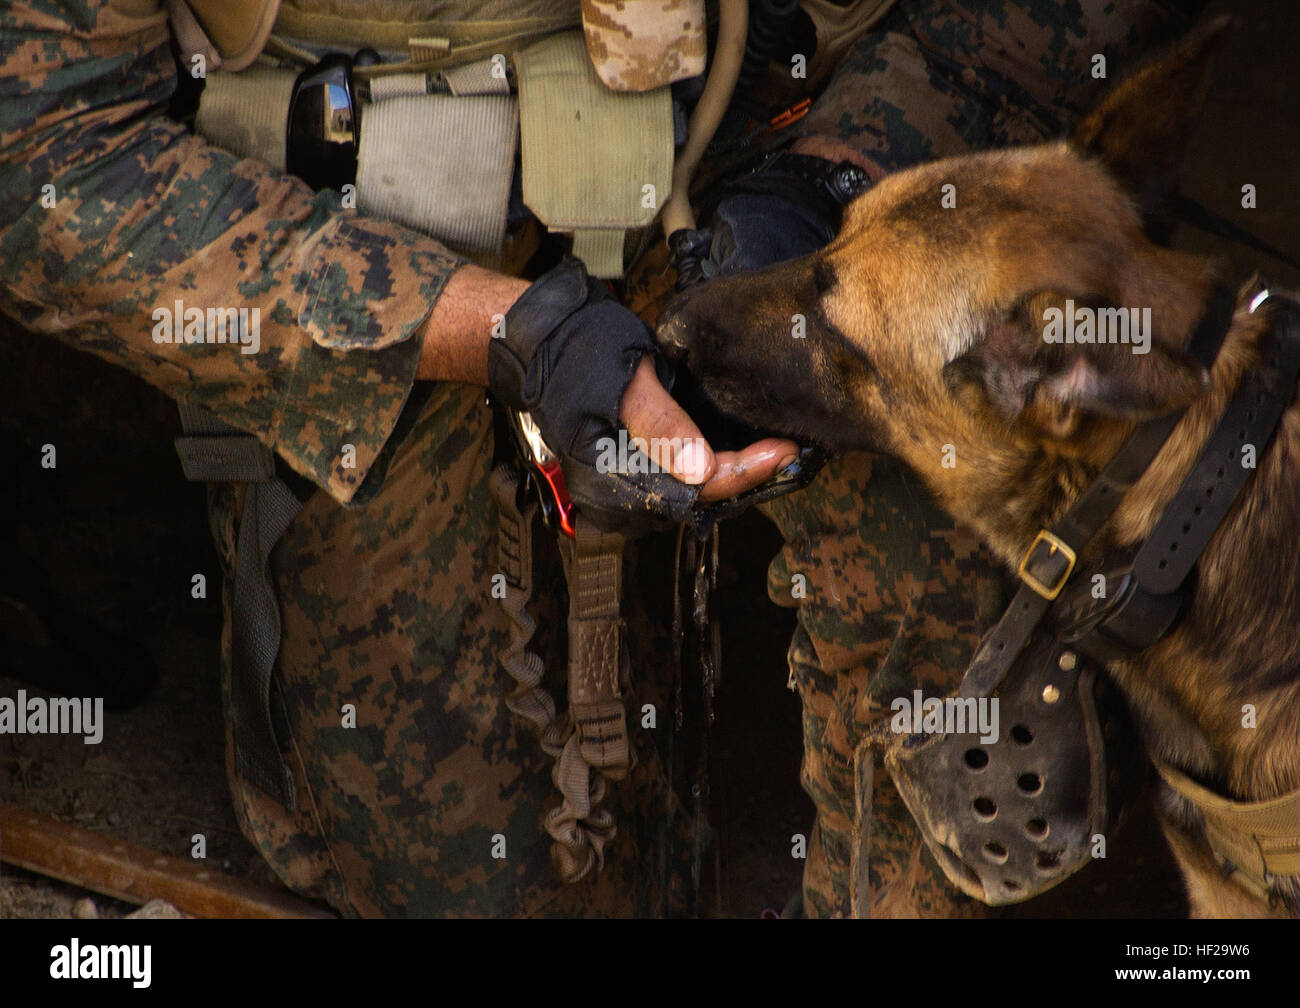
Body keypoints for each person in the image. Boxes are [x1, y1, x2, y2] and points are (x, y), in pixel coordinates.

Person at [0, 0, 1202, 917]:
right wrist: (511, 333)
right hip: (355, 208)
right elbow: (34, 159)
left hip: (769, 134)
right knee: (443, 865)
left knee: (956, 626)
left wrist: (824, 200)